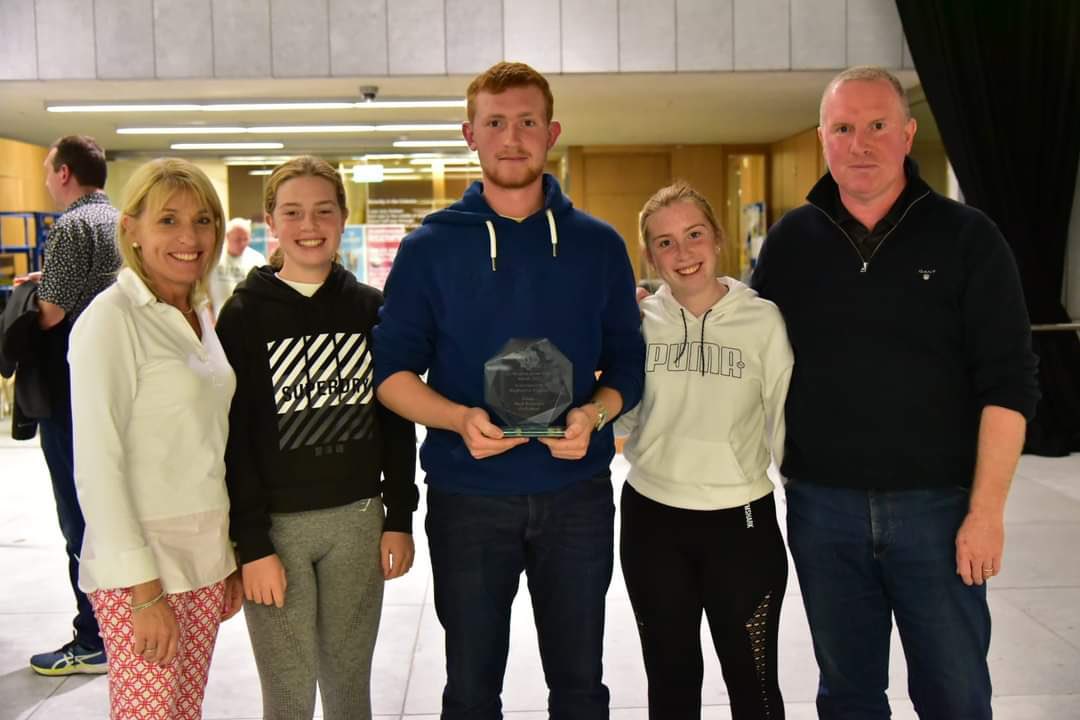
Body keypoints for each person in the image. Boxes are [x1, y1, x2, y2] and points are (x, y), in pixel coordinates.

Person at [751, 66, 1040, 718]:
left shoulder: (969, 238)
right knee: (848, 695)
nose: (861, 143)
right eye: (844, 128)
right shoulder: (790, 244)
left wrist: (987, 511)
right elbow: (749, 367)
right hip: (822, 511)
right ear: (823, 138)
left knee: (955, 694)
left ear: (907, 133)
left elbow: (1010, 384)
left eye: (877, 125)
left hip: (936, 511)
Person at [373, 61, 644, 719]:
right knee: (470, 689)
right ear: (470, 134)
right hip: (468, 501)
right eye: (495, 122)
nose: (512, 137)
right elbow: (393, 378)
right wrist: (459, 418)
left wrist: (595, 414)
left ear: (551, 132)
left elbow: (628, 365)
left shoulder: (597, 246)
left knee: (581, 687)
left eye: (527, 122)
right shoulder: (429, 247)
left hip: (575, 498)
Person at [216, 156, 418, 720]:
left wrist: (399, 515)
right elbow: (235, 441)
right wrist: (251, 545)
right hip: (277, 533)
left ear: (344, 218)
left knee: (349, 686)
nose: (310, 224)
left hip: (358, 520)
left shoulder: (372, 310)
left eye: (324, 211)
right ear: (270, 222)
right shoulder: (243, 317)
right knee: (287, 693)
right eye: (293, 212)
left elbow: (397, 422)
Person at [67, 158, 245, 718]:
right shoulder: (111, 319)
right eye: (167, 220)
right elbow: (97, 464)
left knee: (182, 710)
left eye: (202, 220)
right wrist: (144, 593)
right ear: (132, 230)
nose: (189, 238)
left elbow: (204, 441)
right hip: (143, 569)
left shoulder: (197, 311)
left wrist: (227, 556)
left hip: (202, 556)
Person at [619, 183, 792, 719]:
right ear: (649, 254)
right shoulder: (640, 325)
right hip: (651, 521)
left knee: (754, 684)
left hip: (741, 526)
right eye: (665, 243)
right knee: (670, 684)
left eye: (694, 235)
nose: (683, 253)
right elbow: (623, 414)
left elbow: (784, 421)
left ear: (717, 239)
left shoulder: (762, 321)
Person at [28, 135, 122, 676]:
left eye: (47, 169)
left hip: (68, 390)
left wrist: (34, 299)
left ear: (65, 173)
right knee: (106, 507)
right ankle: (118, 627)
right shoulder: (118, 221)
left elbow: (52, 313)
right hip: (111, 386)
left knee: (78, 516)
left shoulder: (71, 226)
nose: (45, 178)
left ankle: (92, 637)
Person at [208, 217, 266, 318]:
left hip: (248, 319)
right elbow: (203, 293)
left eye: (246, 239)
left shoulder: (257, 259)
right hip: (218, 319)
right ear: (227, 237)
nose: (243, 244)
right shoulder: (213, 258)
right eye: (238, 239)